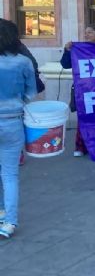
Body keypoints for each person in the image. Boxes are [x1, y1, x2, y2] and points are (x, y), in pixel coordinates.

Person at [0, 19, 37, 239]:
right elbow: (30, 92)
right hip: (13, 119)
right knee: (10, 173)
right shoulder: (23, 62)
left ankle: (1, 210)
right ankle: (10, 222)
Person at [60, 23, 95, 157]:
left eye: (90, 32)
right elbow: (65, 64)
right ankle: (81, 147)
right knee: (85, 118)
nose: (86, 35)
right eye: (86, 32)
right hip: (86, 90)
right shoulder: (80, 50)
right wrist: (67, 51)